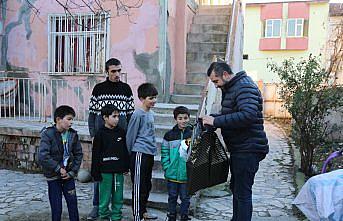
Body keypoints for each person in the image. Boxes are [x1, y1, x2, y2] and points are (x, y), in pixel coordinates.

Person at [202, 62, 269, 221]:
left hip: (248, 148)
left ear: (225, 74)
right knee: (237, 190)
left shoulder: (244, 87)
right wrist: (213, 118)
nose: (216, 86)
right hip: (241, 148)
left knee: (243, 193)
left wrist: (216, 122)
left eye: (216, 81)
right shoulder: (233, 87)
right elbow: (234, 113)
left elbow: (248, 115)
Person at [88, 58, 134, 220]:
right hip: (102, 137)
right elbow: (92, 115)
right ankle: (97, 207)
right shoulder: (99, 89)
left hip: (120, 138)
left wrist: (129, 138)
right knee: (100, 174)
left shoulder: (126, 89)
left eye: (119, 71)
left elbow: (130, 115)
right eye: (113, 71)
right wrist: (93, 135)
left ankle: (116, 212)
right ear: (106, 72)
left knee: (116, 179)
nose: (117, 74)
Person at [38, 105, 83, 221]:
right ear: (58, 119)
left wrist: (72, 172)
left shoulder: (73, 135)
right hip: (53, 176)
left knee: (73, 204)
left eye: (72, 119)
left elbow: (78, 154)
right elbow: (43, 156)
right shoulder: (48, 134)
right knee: (56, 207)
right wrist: (58, 168)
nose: (71, 122)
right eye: (69, 119)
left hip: (68, 176)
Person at [91, 104, 130, 221]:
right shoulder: (100, 134)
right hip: (105, 172)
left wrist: (126, 166)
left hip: (118, 172)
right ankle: (104, 217)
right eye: (114, 116)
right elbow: (96, 154)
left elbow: (124, 151)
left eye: (118, 116)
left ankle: (116, 217)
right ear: (105, 117)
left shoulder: (121, 132)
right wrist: (95, 172)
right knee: (104, 197)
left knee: (118, 197)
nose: (117, 119)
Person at [126, 83, 158, 221]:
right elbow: (130, 136)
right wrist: (129, 156)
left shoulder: (151, 114)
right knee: (138, 186)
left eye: (155, 97)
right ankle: (137, 216)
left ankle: (143, 211)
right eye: (151, 98)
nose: (154, 101)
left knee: (147, 185)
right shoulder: (137, 114)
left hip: (149, 153)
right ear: (141, 98)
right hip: (139, 153)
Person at [161, 106, 192, 221]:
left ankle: (184, 216)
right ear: (175, 119)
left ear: (189, 118)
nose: (183, 120)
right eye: (180, 118)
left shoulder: (193, 134)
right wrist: (166, 167)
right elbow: (164, 153)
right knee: (172, 196)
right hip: (172, 174)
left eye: (185, 118)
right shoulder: (169, 135)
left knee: (185, 197)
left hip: (186, 174)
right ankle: (171, 215)